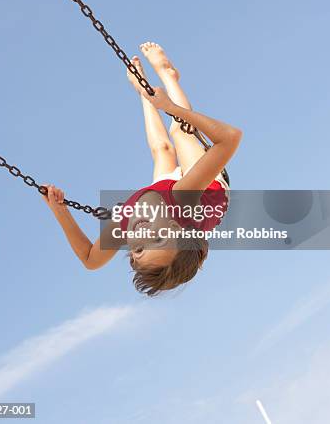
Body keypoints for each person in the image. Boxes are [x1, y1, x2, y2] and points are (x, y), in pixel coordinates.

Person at [43, 43, 242, 296]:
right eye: (158, 240)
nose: (143, 236)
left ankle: (143, 91)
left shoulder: (128, 226)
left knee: (162, 150)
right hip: (207, 194)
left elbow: (90, 259)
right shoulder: (184, 200)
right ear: (174, 227)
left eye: (138, 250)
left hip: (161, 197)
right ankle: (168, 75)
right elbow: (231, 138)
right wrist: (170, 108)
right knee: (180, 132)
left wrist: (59, 210)